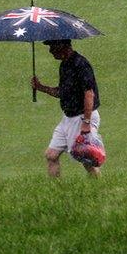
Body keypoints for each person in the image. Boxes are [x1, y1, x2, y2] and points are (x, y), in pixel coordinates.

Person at [31, 39, 102, 177]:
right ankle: (56, 192)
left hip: (82, 117)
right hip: (68, 118)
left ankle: (99, 188)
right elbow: (62, 92)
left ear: (62, 46)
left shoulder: (81, 64)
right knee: (51, 155)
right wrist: (41, 87)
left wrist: (86, 123)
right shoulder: (64, 65)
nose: (50, 51)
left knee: (86, 158)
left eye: (52, 46)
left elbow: (89, 94)